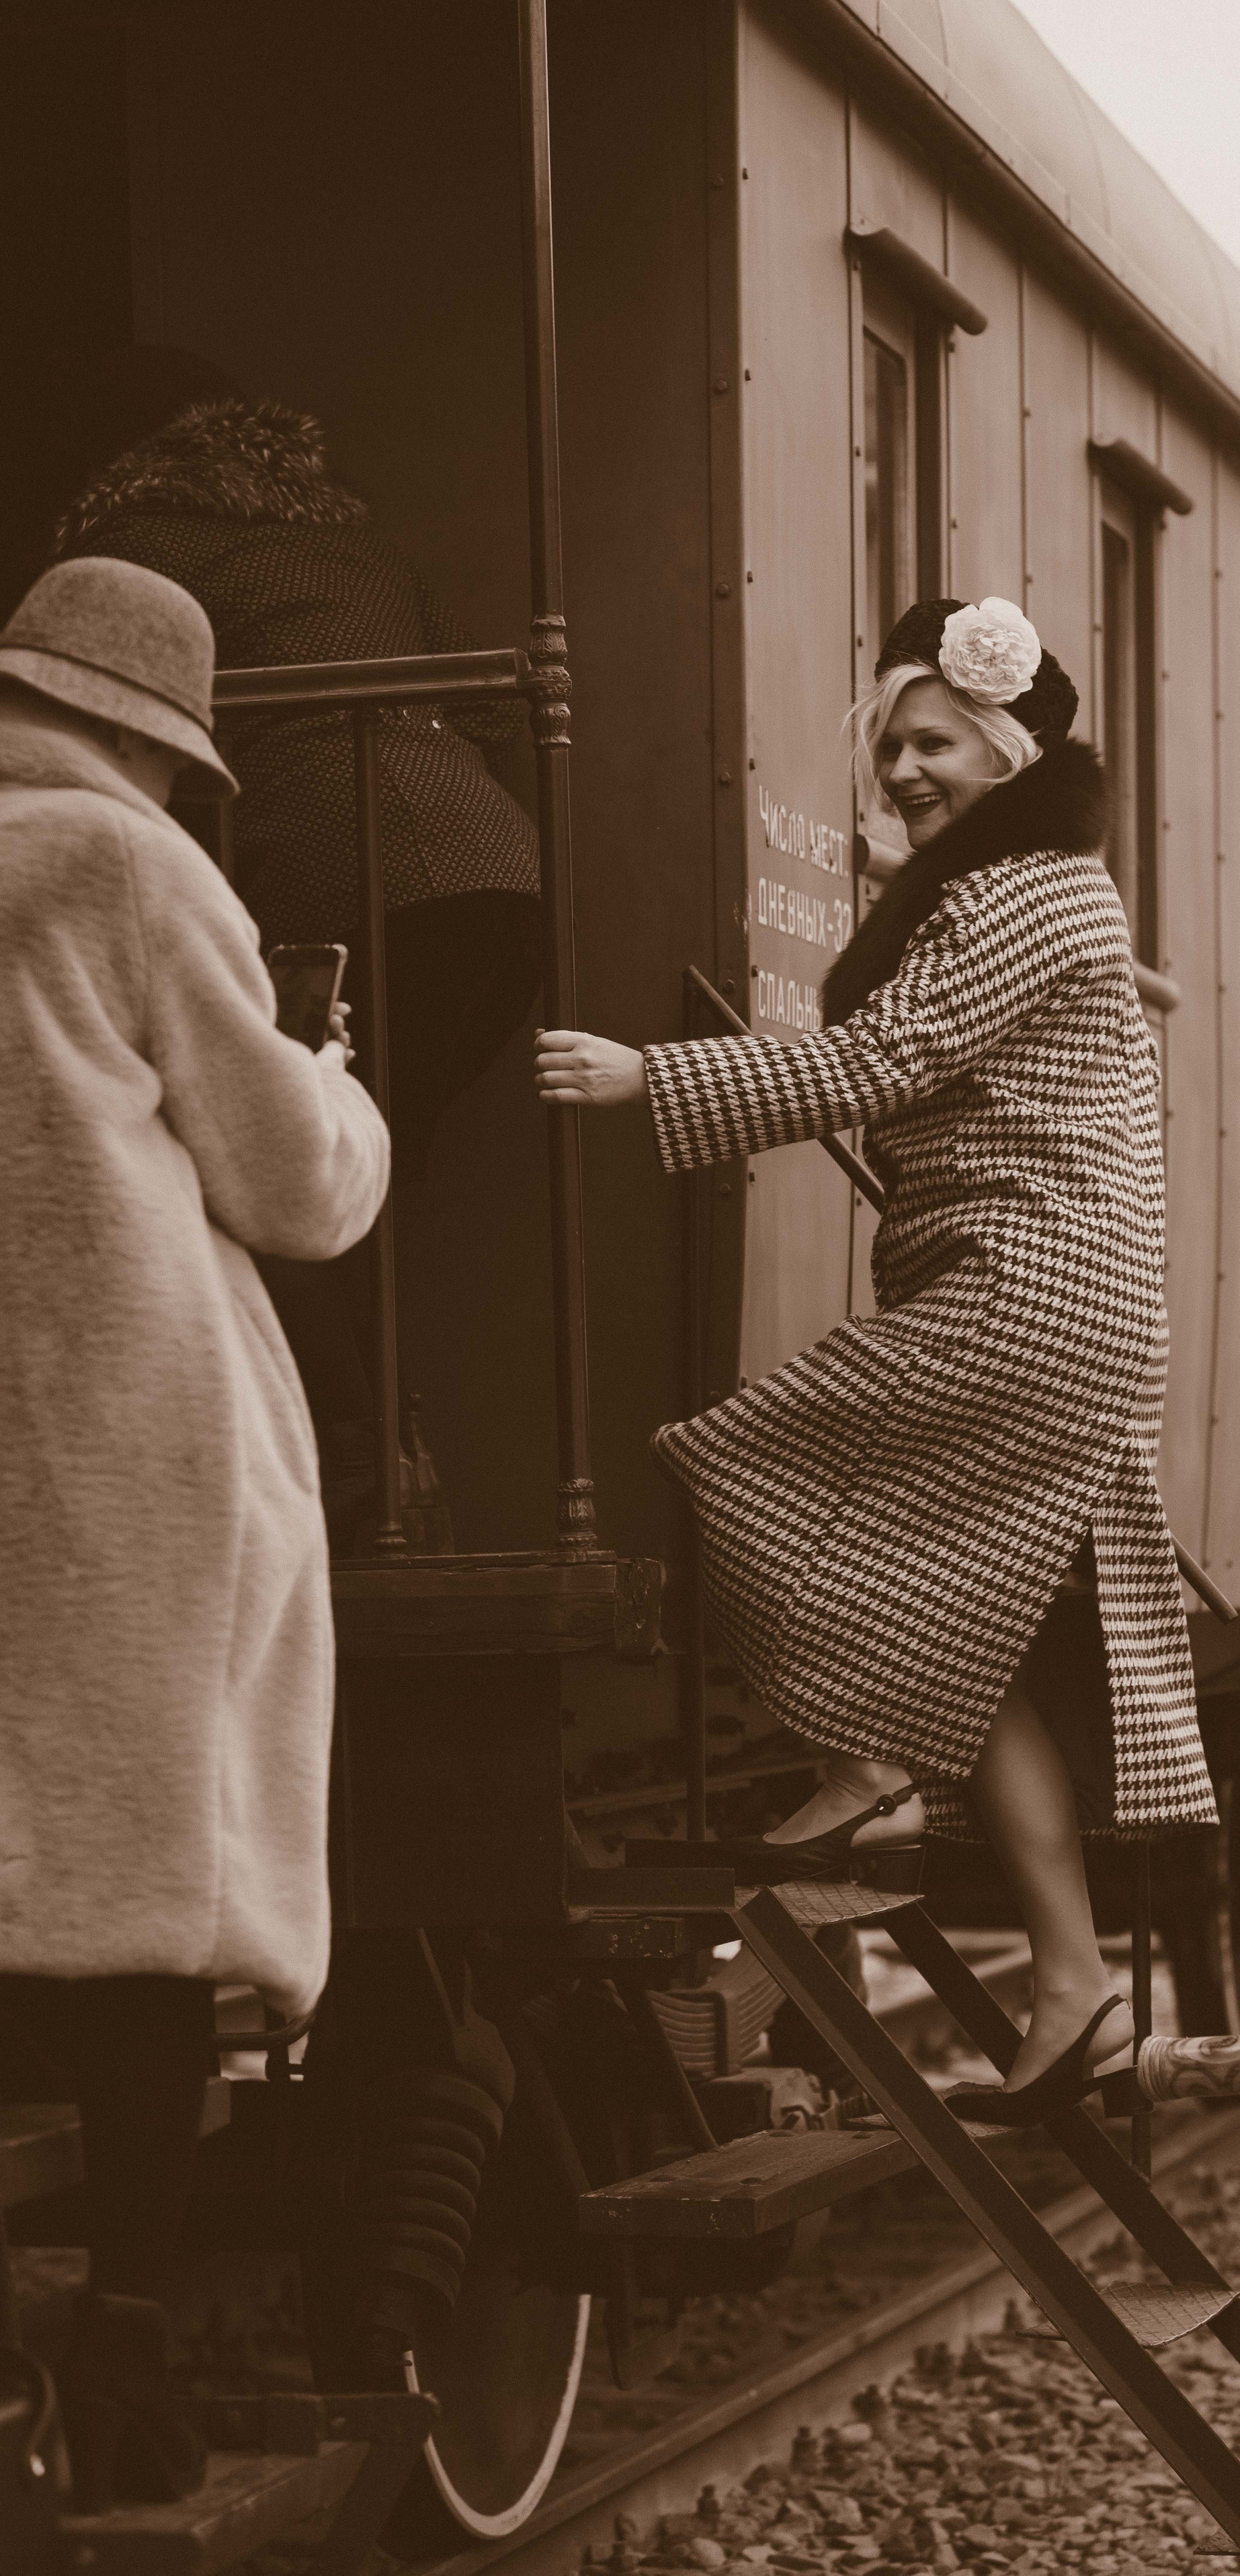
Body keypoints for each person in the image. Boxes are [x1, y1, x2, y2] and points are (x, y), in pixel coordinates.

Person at [536, 595, 1216, 2120]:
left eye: (933, 744)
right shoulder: (1017, 888)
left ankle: (866, 1763)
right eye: (891, 746)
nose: (903, 770)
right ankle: (1075, 1986)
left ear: (1007, 751)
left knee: (733, 1461)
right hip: (1057, 1292)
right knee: (980, 1648)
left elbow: (883, 1059)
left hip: (1029, 1288)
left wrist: (649, 1077)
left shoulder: (1034, 891)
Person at [0, 557, 391, 2506]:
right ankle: (128, 2356)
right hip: (112, 1437)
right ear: (149, 739)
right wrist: (336, 1079)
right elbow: (295, 1184)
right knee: (141, 1898)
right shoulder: (128, 866)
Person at [52, 384, 542, 1538]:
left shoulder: (137, 548)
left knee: (268, 1168)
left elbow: (90, 694)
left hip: (337, 873)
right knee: (341, 1171)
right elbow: (488, 720)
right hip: (497, 882)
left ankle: (362, 1470)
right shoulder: (359, 545)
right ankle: (392, 1458)